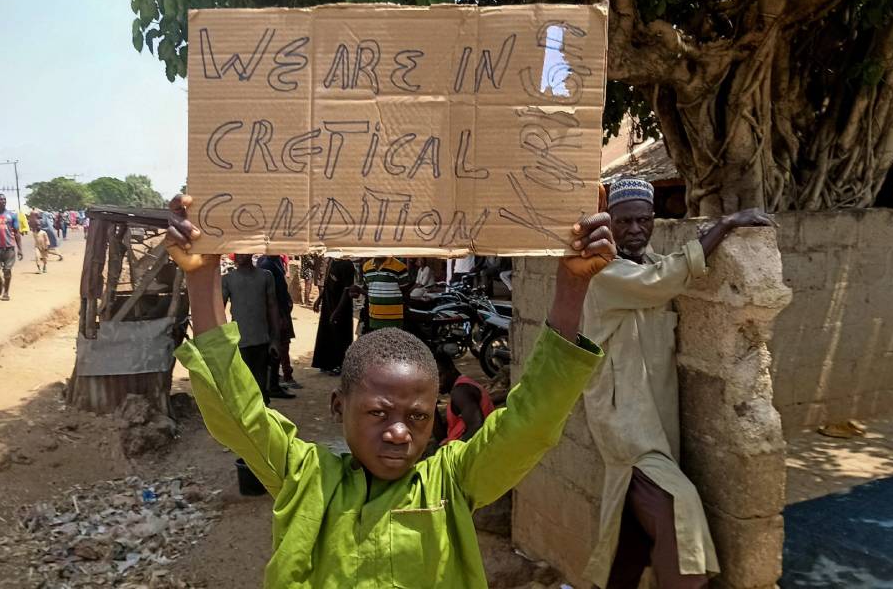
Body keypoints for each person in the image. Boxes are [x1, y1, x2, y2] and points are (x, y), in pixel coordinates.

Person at [165, 193, 614, 588]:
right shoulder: (304, 477)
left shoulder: (452, 483)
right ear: (339, 406)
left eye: (417, 417)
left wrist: (572, 288)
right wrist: (201, 279)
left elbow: (530, 422)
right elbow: (238, 412)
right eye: (378, 412)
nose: (399, 433)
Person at [581, 178, 774, 589]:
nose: (635, 230)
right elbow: (661, 281)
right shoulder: (604, 273)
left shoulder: (652, 262)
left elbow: (666, 272)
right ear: (609, 224)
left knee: (631, 531)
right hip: (623, 423)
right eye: (624, 222)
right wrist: (725, 225)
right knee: (676, 504)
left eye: (643, 220)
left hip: (655, 421)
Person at [221, 253, 288, 405]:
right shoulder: (228, 279)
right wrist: (223, 340)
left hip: (261, 340)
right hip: (239, 342)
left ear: (251, 252)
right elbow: (220, 309)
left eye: (243, 251)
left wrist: (275, 339)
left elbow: (272, 307)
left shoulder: (265, 276)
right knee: (242, 387)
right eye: (237, 252)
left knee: (261, 388)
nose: (239, 255)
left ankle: (262, 415)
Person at [257, 254, 299, 396]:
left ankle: (277, 380)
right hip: (276, 312)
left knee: (282, 344)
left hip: (281, 310)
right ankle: (275, 383)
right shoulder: (267, 264)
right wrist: (279, 314)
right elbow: (270, 293)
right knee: (279, 345)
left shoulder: (276, 261)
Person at [434, 352, 494, 444]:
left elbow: (477, 428)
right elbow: (442, 438)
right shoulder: (459, 389)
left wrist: (455, 449)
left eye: (439, 375)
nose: (436, 383)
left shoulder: (461, 391)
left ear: (451, 369)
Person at [312, 257, 357, 374]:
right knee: (327, 333)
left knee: (340, 336)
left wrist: (337, 312)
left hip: (341, 308)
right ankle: (326, 363)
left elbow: (347, 290)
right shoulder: (332, 261)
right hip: (328, 304)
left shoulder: (347, 265)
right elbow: (327, 283)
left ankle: (340, 365)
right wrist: (319, 298)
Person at [360, 256, 411, 331]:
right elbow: (371, 290)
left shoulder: (400, 267)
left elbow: (405, 291)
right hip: (374, 318)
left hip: (394, 319)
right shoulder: (366, 267)